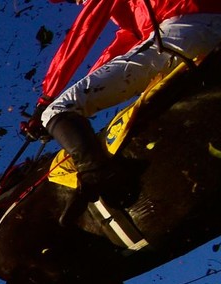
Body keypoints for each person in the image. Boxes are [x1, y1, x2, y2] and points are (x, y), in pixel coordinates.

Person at [24, 0, 221, 200]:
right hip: (195, 28)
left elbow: (84, 30)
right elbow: (126, 43)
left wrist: (47, 98)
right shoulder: (133, 10)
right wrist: (86, 93)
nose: (76, 2)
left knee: (56, 111)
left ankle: (108, 183)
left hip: (186, 30)